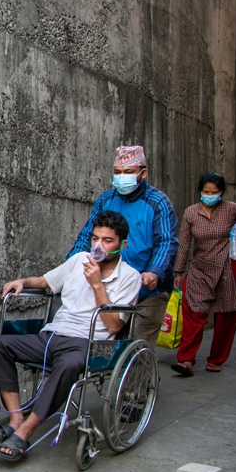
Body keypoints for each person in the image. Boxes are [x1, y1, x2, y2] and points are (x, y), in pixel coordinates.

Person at [0, 211, 142, 461]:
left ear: (122, 244)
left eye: (107, 240)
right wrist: (22, 281)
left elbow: (114, 325)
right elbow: (45, 281)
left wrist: (96, 284)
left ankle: (27, 431)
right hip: (53, 335)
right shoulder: (79, 259)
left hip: (89, 343)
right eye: (95, 238)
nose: (98, 246)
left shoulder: (130, 277)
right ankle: (16, 419)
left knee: (69, 365)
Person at [67, 145, 178, 353]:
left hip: (146, 290)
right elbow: (86, 238)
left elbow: (166, 241)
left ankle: (137, 383)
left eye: (128, 172)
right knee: (101, 345)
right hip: (111, 285)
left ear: (142, 173)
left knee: (136, 347)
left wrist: (155, 271)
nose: (121, 177)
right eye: (117, 172)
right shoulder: (106, 200)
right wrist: (69, 267)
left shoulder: (157, 203)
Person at [171, 173, 236, 376]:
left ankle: (216, 359)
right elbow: (184, 244)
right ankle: (186, 360)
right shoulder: (191, 213)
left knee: (227, 316)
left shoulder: (232, 209)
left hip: (227, 269)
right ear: (200, 191)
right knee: (193, 314)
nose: (209, 195)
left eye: (214, 192)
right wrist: (178, 271)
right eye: (205, 192)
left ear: (221, 193)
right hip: (200, 270)